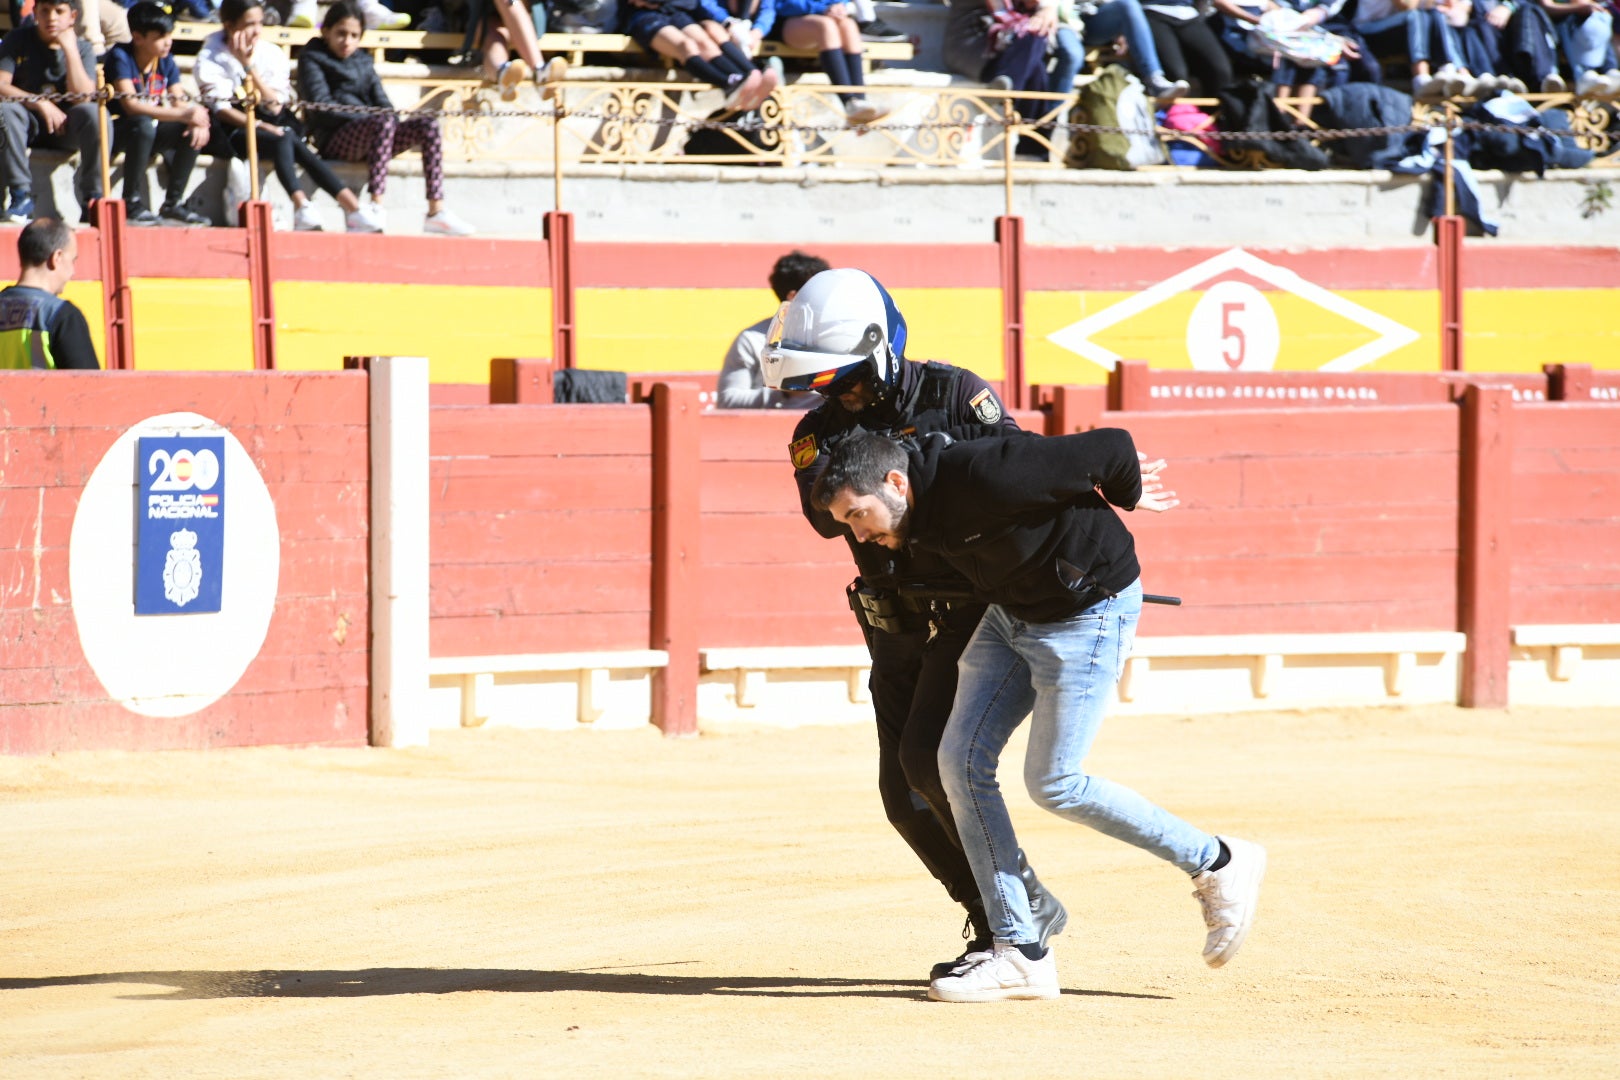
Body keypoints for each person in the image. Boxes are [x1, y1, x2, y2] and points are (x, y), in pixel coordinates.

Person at [811, 428, 1266, 1002]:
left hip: (1087, 613)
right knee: (955, 762)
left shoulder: (983, 471)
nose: (859, 533)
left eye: (858, 514)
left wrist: (1125, 495)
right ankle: (1021, 949)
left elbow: (1114, 448)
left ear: (896, 482)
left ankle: (1216, 861)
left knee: (1056, 783)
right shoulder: (912, 515)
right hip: (1010, 617)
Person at [759, 267, 1069, 979]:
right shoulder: (816, 431)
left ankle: (1011, 932)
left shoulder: (958, 393)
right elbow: (822, 515)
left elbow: (1011, 469)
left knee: (930, 764)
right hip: (893, 624)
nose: (831, 394)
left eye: (843, 378)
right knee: (905, 798)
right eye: (822, 382)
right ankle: (1004, 911)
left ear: (881, 351)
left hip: (968, 613)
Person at [195, 0, 384, 232]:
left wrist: (249, 68)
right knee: (284, 137)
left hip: (269, 126)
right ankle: (316, 206)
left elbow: (274, 107)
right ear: (229, 25)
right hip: (232, 132)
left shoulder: (269, 52)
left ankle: (341, 208)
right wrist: (261, 125)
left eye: (260, 23)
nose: (256, 30)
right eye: (249, 24)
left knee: (286, 137)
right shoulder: (211, 55)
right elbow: (222, 109)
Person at [298, 0, 477, 236]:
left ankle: (436, 211)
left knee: (428, 126)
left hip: (373, 133)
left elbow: (384, 104)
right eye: (341, 33)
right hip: (334, 138)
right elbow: (322, 107)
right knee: (381, 121)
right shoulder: (312, 57)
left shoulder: (363, 60)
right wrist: (370, 118)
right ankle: (376, 205)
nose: (347, 41)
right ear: (326, 31)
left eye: (354, 35)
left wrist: (383, 120)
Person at [105, 2, 212, 227]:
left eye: (169, 35)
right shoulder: (120, 56)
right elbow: (131, 106)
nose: (168, 42)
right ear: (138, 37)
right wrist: (185, 115)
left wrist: (195, 120)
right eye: (160, 36)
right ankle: (131, 201)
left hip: (148, 134)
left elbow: (178, 100)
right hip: (118, 132)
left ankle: (173, 203)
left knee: (191, 129)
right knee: (143, 124)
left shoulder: (165, 60)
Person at [0, 0, 102, 225]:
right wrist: (40, 102)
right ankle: (20, 194)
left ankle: (92, 198)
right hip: (26, 126)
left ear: (72, 16)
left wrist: (70, 50)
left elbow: (83, 96)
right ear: (35, 12)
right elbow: (1, 84)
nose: (51, 18)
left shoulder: (82, 48)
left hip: (67, 129)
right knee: (4, 109)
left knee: (95, 114)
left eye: (59, 11)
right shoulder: (17, 38)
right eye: (45, 11)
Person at [716, 249, 827, 409]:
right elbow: (728, 401)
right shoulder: (751, 340)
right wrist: (784, 391)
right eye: (821, 292)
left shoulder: (838, 336)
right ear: (793, 297)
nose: (829, 299)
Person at [624, 0, 780, 113]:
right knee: (686, 45)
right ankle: (729, 84)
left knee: (705, 43)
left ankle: (747, 75)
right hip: (642, 14)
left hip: (674, 9)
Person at [0, 216, 98, 369]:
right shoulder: (63, 315)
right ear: (56, 257)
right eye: (73, 260)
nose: (73, 272)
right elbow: (90, 387)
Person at [773, 0, 888, 123]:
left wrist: (840, 7)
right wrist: (821, 9)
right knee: (826, 25)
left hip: (826, 19)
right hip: (788, 19)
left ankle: (861, 102)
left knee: (849, 25)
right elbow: (783, 5)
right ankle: (849, 102)